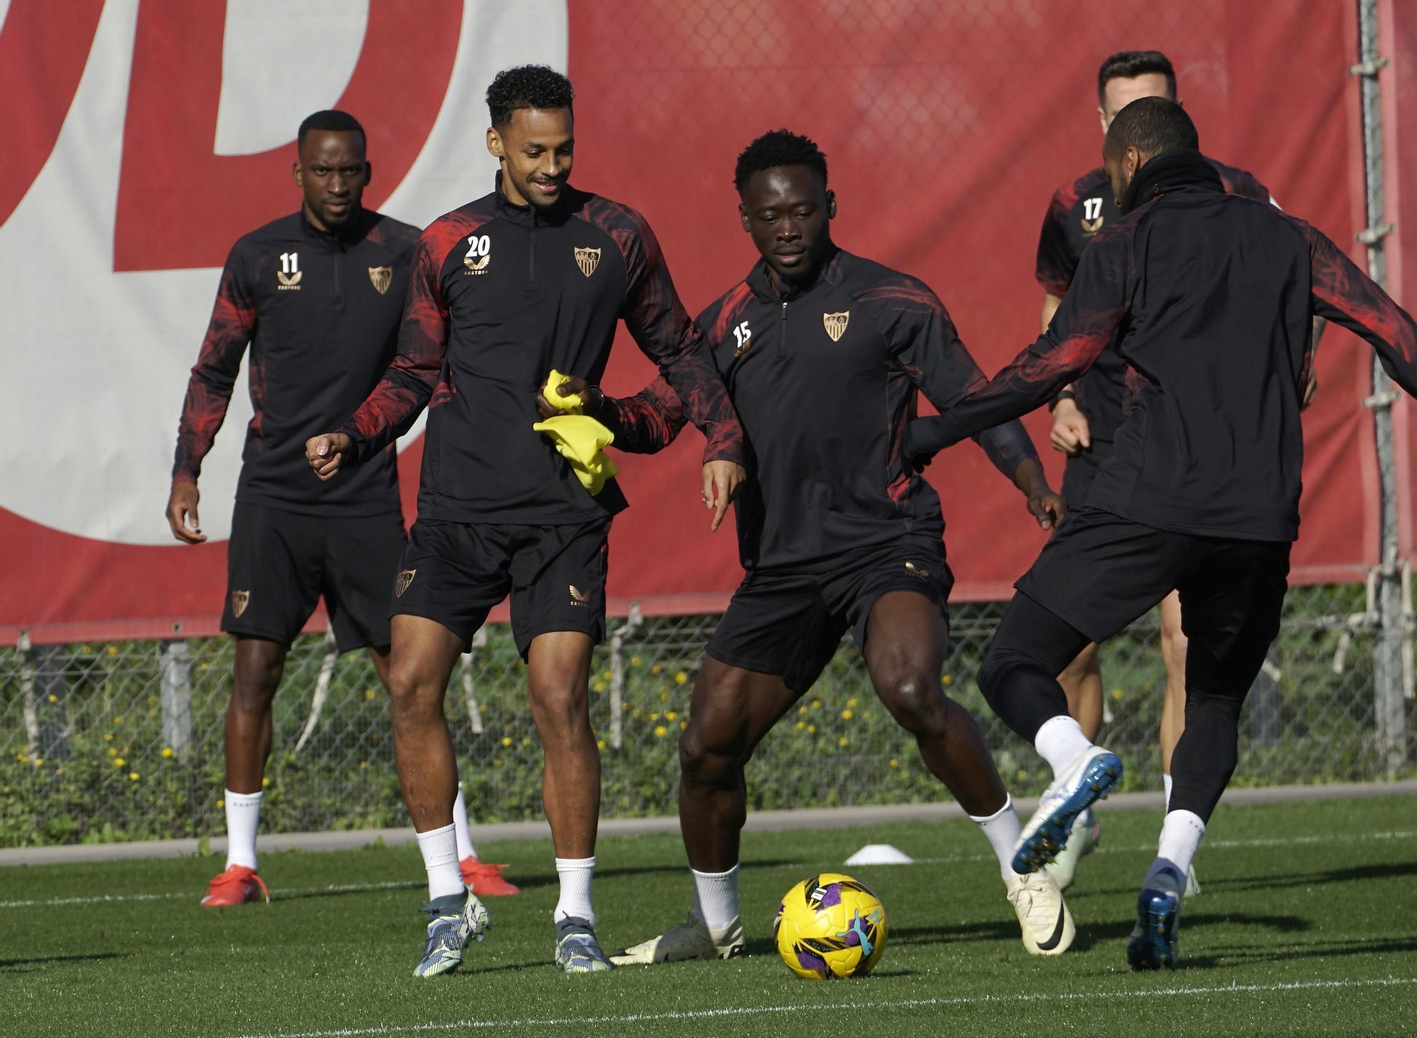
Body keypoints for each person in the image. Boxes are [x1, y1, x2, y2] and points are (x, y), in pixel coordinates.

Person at [904, 97, 1417, 971]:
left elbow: (1055, 361)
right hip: (1260, 518)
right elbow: (1394, 331)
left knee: (1012, 663)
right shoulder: (1290, 238)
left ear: (1125, 169)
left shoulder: (1123, 241)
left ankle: (1075, 758)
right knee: (1217, 699)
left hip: (1148, 501)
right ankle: (1168, 869)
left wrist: (935, 431)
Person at [551, 130, 1073, 964]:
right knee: (705, 745)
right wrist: (600, 408)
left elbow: (979, 402)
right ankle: (716, 925)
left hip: (888, 542)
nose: (787, 227)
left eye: (802, 210)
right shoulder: (722, 324)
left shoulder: (894, 301)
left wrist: (1032, 483)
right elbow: (661, 414)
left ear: (829, 207)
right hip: (785, 568)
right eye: (770, 215)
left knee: (909, 686)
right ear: (746, 221)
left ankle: (1024, 870)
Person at [304, 66, 745, 977]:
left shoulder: (617, 234)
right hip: (457, 512)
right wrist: (354, 432)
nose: (553, 166)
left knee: (558, 698)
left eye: (566, 149)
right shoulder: (447, 242)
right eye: (535, 150)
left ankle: (574, 917)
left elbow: (680, 349)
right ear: (498, 141)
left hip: (563, 517)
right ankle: (444, 902)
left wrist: (719, 437)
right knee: (409, 683)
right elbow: (412, 375)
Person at [167, 110, 513, 910]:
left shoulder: (403, 250)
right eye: (321, 171)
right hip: (273, 499)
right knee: (256, 671)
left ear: (367, 171)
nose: (335, 185)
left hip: (365, 501)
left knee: (411, 675)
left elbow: (433, 362)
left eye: (349, 171)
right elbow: (214, 369)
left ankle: (463, 855)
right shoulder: (256, 255)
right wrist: (188, 472)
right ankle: (241, 865)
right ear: (297, 173)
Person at [1031, 50, 1322, 890]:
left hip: (1192, 452)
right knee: (1070, 649)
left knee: (1184, 645)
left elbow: (1300, 283)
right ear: (1106, 127)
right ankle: (1075, 809)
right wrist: (1059, 400)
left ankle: (1173, 848)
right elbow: (1055, 304)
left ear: (1177, 112)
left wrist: (1295, 364)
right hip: (1104, 443)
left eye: (1154, 105)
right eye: (1125, 110)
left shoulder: (1238, 194)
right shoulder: (1078, 205)